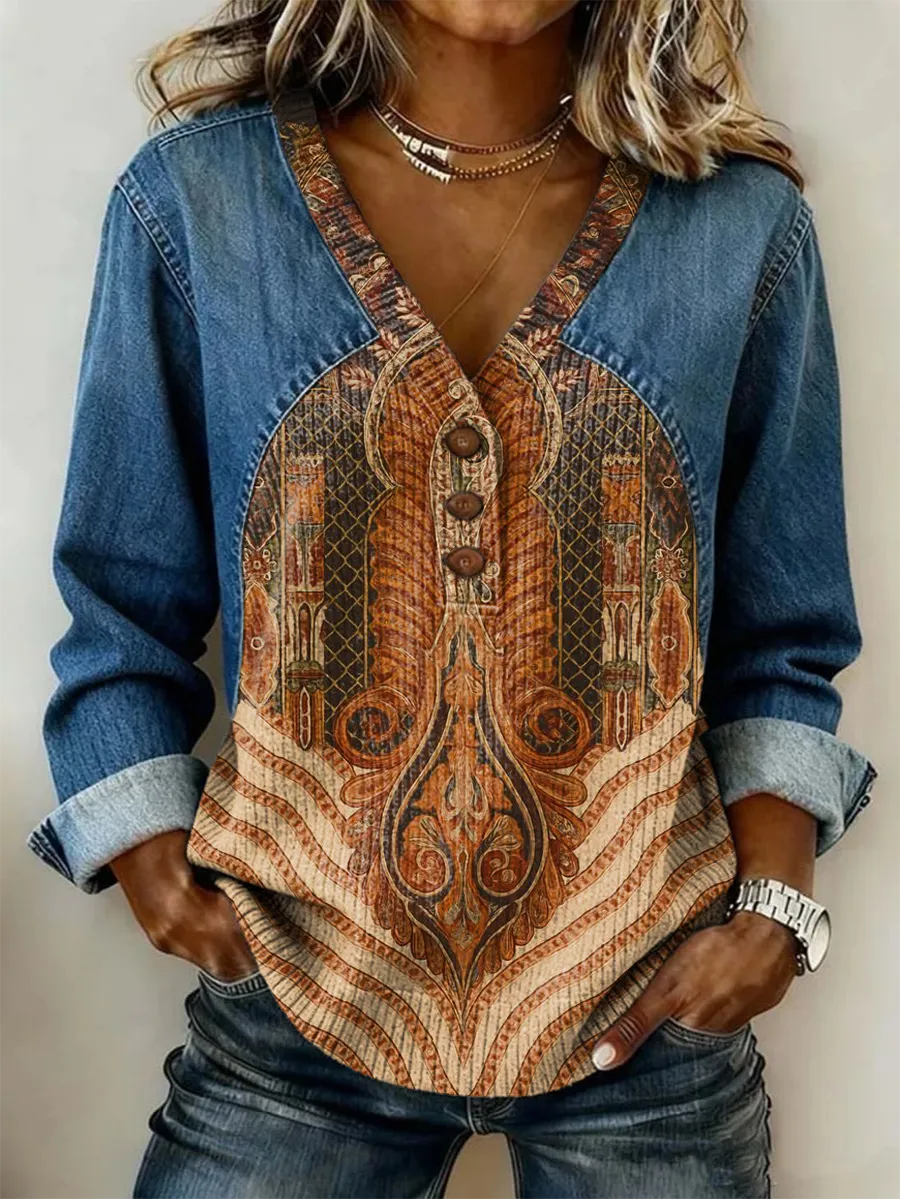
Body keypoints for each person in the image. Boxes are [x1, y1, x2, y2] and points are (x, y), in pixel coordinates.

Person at [29, 0, 878, 1195]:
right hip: (297, 1004)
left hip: (650, 1007)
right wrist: (151, 859)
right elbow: (121, 597)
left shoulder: (737, 226)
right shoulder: (199, 205)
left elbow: (782, 631)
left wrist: (773, 914)